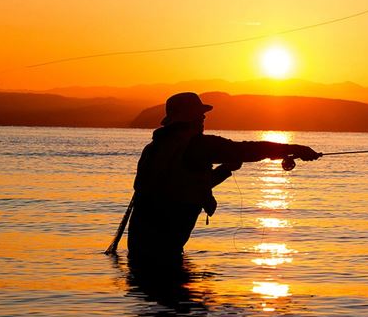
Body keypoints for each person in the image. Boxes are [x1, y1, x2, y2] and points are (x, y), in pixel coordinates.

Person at [128, 92, 321, 259]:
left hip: (141, 243)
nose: (203, 118)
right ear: (191, 118)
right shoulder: (197, 145)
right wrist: (296, 149)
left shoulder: (155, 148)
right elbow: (246, 150)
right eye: (200, 115)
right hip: (162, 248)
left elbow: (184, 186)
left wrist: (225, 170)